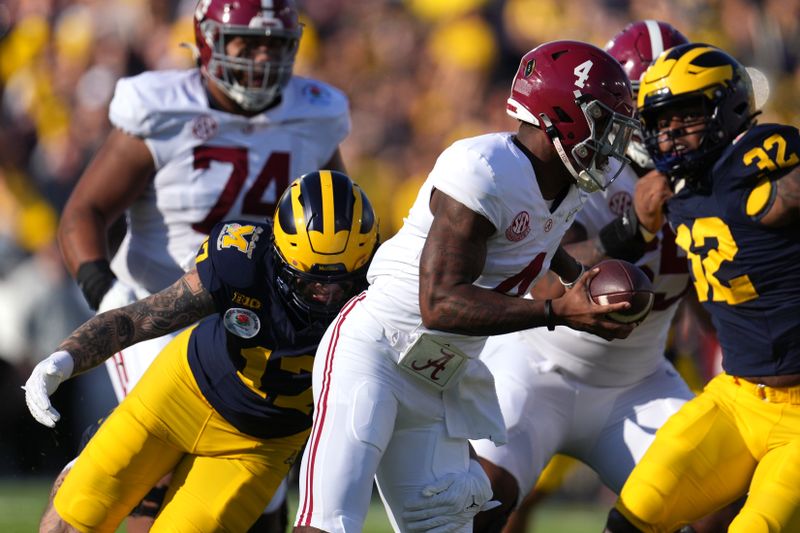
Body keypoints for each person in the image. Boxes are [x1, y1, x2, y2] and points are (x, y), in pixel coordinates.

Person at [291, 40, 640, 533]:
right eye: (603, 123)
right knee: (330, 522)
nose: (610, 141)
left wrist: (578, 281)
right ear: (562, 114)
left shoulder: (563, 183)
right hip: (376, 354)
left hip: (438, 379)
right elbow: (439, 304)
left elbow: (539, 237)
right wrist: (557, 312)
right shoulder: (484, 170)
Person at [53, 0, 349, 529]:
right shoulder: (161, 106)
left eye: (273, 43)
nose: (261, 57)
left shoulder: (315, 113)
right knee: (152, 465)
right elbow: (85, 210)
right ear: (208, 40)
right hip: (162, 312)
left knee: (256, 496)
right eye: (247, 42)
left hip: (257, 321)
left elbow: (335, 204)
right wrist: (105, 291)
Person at [24, 171, 379, 532]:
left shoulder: (384, 290)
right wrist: (66, 357)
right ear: (278, 252)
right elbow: (141, 318)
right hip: (181, 393)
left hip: (258, 446)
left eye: (341, 283)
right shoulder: (242, 259)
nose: (326, 295)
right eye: (308, 281)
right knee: (76, 513)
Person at [468, 20, 698, 533]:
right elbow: (538, 266)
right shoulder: (583, 167)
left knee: (713, 505)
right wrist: (630, 230)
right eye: (649, 109)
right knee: (478, 505)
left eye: (678, 108)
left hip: (639, 381)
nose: (666, 125)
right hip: (536, 367)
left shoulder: (702, 182)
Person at [603, 43, 800, 533]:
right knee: (633, 515)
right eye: (661, 124)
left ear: (727, 108)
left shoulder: (757, 163)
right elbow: (606, 254)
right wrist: (634, 228)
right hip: (736, 398)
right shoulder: (671, 192)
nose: (670, 136)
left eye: (686, 118)